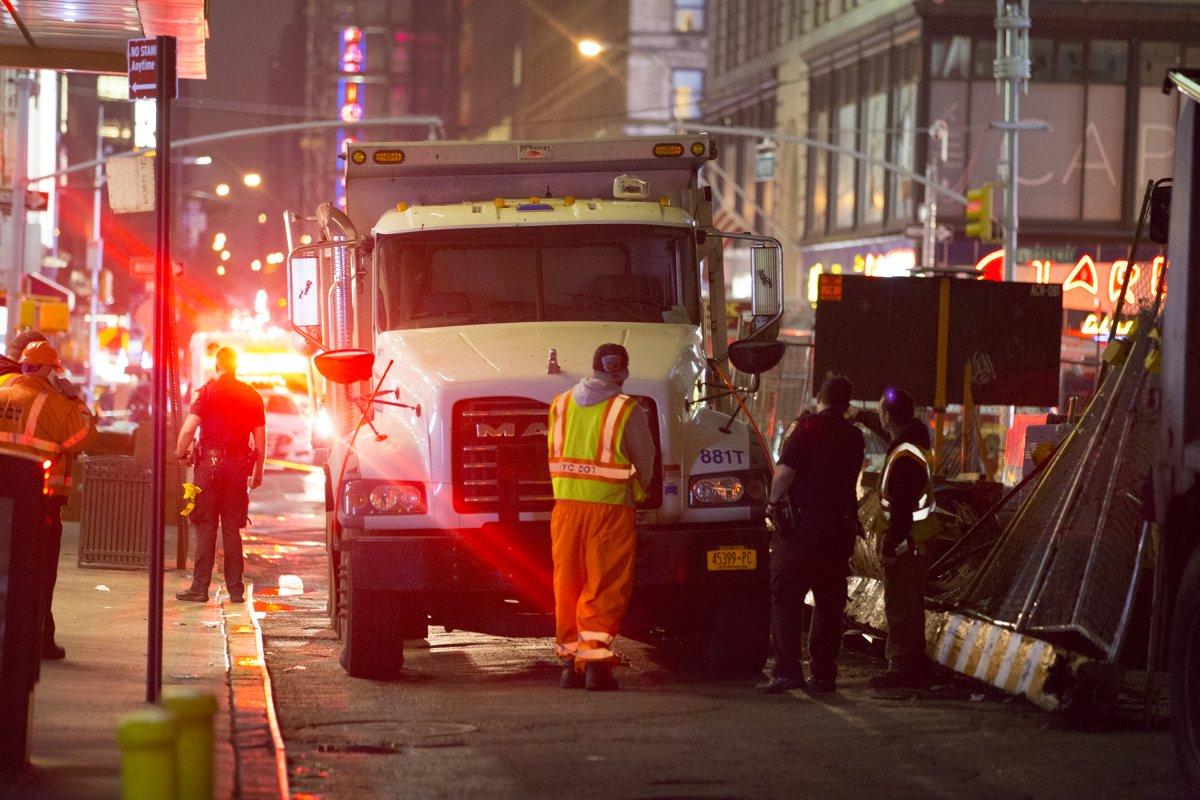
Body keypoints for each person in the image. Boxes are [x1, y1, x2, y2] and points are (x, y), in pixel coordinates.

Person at [547, 343, 654, 691]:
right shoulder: (627, 409)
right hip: (609, 510)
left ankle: (569, 663)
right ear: (622, 373)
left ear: (593, 370)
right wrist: (641, 490)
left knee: (567, 585)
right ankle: (594, 663)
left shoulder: (560, 404)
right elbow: (646, 463)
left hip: (565, 510)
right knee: (604, 585)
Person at [758, 375, 865, 694]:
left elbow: (786, 473)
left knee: (786, 596)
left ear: (820, 398)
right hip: (838, 530)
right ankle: (823, 675)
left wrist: (773, 503)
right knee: (830, 603)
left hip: (803, 531)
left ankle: (789, 671)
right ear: (847, 404)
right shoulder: (854, 436)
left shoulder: (806, 429)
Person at [0, 340, 97, 660]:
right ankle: (38, 639)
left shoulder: (2, 388)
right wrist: (75, 399)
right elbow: (85, 435)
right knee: (38, 574)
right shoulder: (57, 404)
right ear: (49, 371)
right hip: (40, 503)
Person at [854, 387, 936, 690]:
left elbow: (901, 506)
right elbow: (885, 426)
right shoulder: (914, 439)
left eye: (879, 412)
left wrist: (890, 545)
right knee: (911, 601)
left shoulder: (903, 454)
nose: (878, 416)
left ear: (888, 415)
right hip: (920, 537)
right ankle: (914, 660)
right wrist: (861, 415)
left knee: (899, 602)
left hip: (907, 539)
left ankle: (902, 666)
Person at [173, 347, 265, 604]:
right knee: (233, 529)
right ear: (236, 366)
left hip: (209, 467)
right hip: (237, 467)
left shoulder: (207, 392)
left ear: (217, 365)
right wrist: (259, 471)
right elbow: (260, 439)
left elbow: (189, 429)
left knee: (206, 527)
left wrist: (181, 453)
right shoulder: (252, 395)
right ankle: (236, 591)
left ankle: (200, 588)